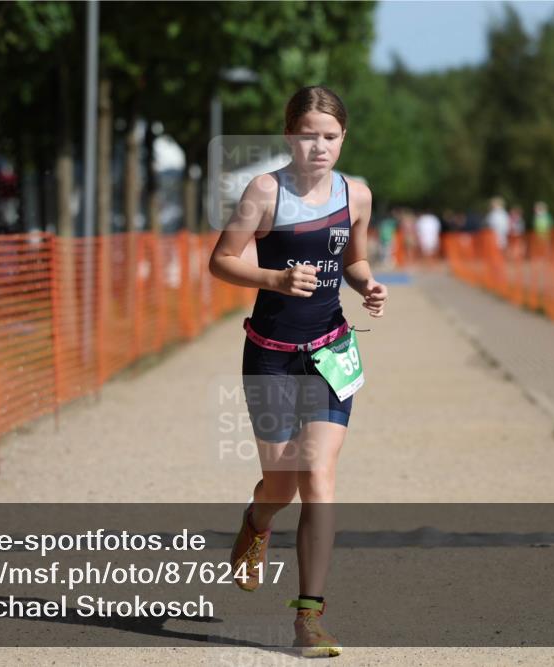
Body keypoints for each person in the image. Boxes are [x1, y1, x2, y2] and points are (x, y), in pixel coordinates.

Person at [208, 85, 387, 658]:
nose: (319, 147)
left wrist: (367, 284)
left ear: (343, 138)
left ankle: (309, 618)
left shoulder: (356, 195)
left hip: (331, 352)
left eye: (330, 137)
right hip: (270, 355)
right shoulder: (265, 191)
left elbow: (354, 259)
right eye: (308, 136)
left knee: (318, 474)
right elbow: (221, 260)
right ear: (289, 136)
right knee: (281, 483)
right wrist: (276, 280)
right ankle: (257, 520)